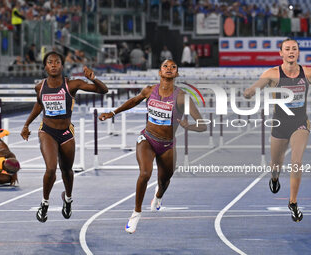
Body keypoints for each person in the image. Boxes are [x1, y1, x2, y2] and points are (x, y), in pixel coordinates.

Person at [99, 59, 206, 233]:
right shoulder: (150, 90)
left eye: (173, 67)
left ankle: (158, 196)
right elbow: (134, 101)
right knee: (145, 173)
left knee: (164, 182)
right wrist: (112, 112)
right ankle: (136, 213)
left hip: (167, 145)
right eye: (165, 66)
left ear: (177, 73)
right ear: (159, 71)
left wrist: (189, 126)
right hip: (147, 139)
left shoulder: (181, 97)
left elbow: (203, 125)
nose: (169, 69)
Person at [20, 51, 108, 223]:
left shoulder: (72, 84)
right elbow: (39, 105)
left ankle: (68, 199)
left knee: (67, 170)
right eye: (50, 62)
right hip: (47, 131)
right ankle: (44, 203)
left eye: (57, 62)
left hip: (66, 132)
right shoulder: (40, 87)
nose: (53, 65)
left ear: (62, 65)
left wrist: (93, 77)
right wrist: (26, 124)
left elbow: (103, 90)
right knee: (51, 168)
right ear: (45, 66)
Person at [244, 38, 311, 222]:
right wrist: (250, 92)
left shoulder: (309, 72)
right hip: (279, 124)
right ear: (281, 53)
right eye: (287, 49)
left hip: (300, 123)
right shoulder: (272, 74)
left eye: (294, 49)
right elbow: (256, 87)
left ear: (298, 52)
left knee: (296, 161)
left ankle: (293, 202)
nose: (291, 52)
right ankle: (274, 178)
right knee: (275, 164)